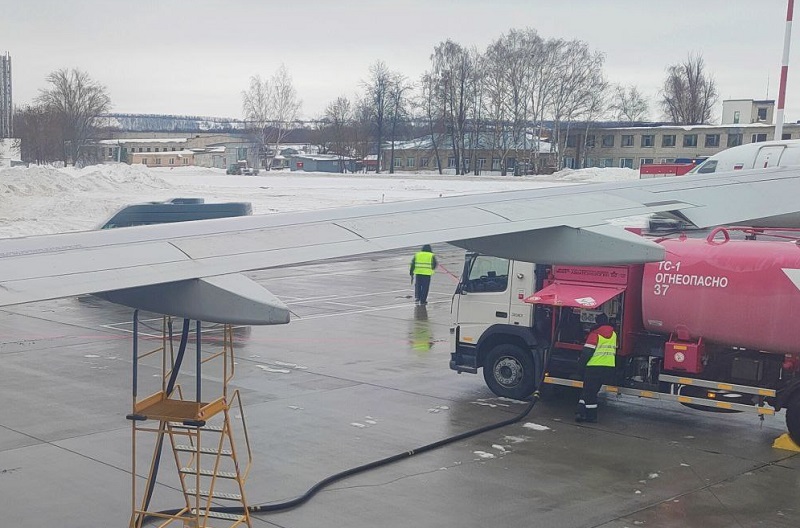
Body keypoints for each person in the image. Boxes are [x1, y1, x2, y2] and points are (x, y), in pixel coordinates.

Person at [576, 312, 617, 423]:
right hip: (608, 367)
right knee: (591, 391)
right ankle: (580, 411)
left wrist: (579, 368)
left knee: (589, 393)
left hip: (594, 367)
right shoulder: (613, 334)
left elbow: (586, 353)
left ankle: (591, 416)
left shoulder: (595, 334)